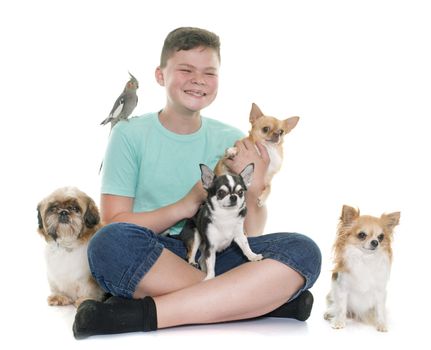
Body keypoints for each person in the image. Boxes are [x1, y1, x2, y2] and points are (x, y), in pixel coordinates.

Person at [73, 27, 321, 338]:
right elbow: (113, 222)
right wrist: (187, 204)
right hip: (155, 255)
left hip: (216, 251)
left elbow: (249, 234)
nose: (198, 80)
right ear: (161, 75)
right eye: (186, 69)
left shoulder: (233, 139)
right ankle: (265, 303)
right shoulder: (130, 134)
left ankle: (136, 315)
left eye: (209, 72)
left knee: (305, 252)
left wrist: (254, 188)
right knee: (108, 244)